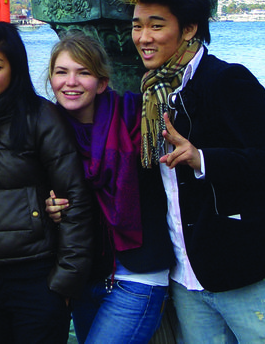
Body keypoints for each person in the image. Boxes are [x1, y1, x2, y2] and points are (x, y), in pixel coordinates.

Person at [125, 0, 265, 343]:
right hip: (186, 277)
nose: (143, 37)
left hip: (246, 272)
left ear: (189, 29)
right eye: (137, 26)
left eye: (156, 26)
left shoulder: (227, 81)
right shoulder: (152, 94)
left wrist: (203, 158)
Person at [0, 18, 93, 344]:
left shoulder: (41, 117)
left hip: (35, 277)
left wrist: (65, 281)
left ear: (15, 68)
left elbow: (75, 198)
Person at [46, 32, 174, 344]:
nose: (71, 82)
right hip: (85, 277)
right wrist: (46, 206)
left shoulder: (137, 118)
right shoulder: (49, 132)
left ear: (102, 82)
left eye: (84, 72)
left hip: (138, 275)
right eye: (62, 72)